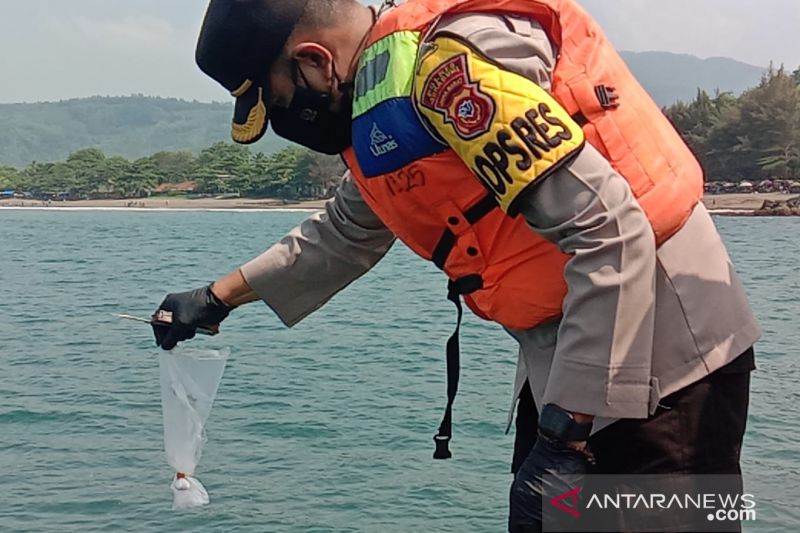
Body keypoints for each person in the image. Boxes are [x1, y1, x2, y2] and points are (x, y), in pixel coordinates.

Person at [153, 0, 760, 530]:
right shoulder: (383, 108)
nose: (291, 124)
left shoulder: (452, 76)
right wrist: (216, 298)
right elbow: (345, 230)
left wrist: (566, 435)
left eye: (281, 102)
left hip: (661, 359)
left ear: (314, 62)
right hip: (571, 360)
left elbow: (609, 227)